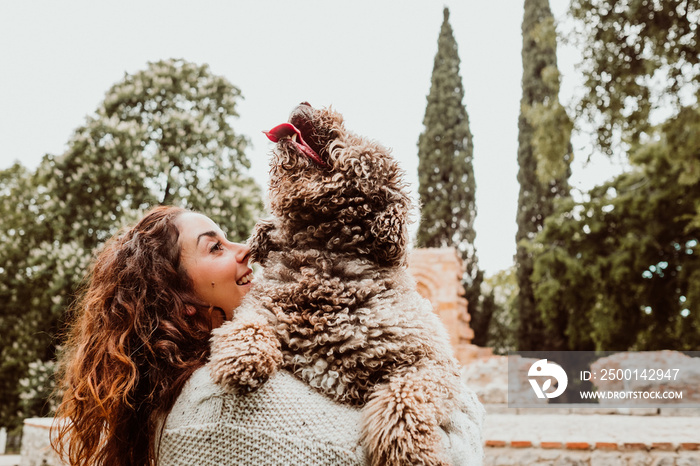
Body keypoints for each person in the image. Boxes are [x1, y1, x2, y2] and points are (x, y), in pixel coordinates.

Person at [53, 205, 485, 465]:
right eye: (215, 247)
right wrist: (450, 383)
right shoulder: (229, 395)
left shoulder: (166, 401)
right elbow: (447, 455)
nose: (247, 249)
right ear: (180, 304)